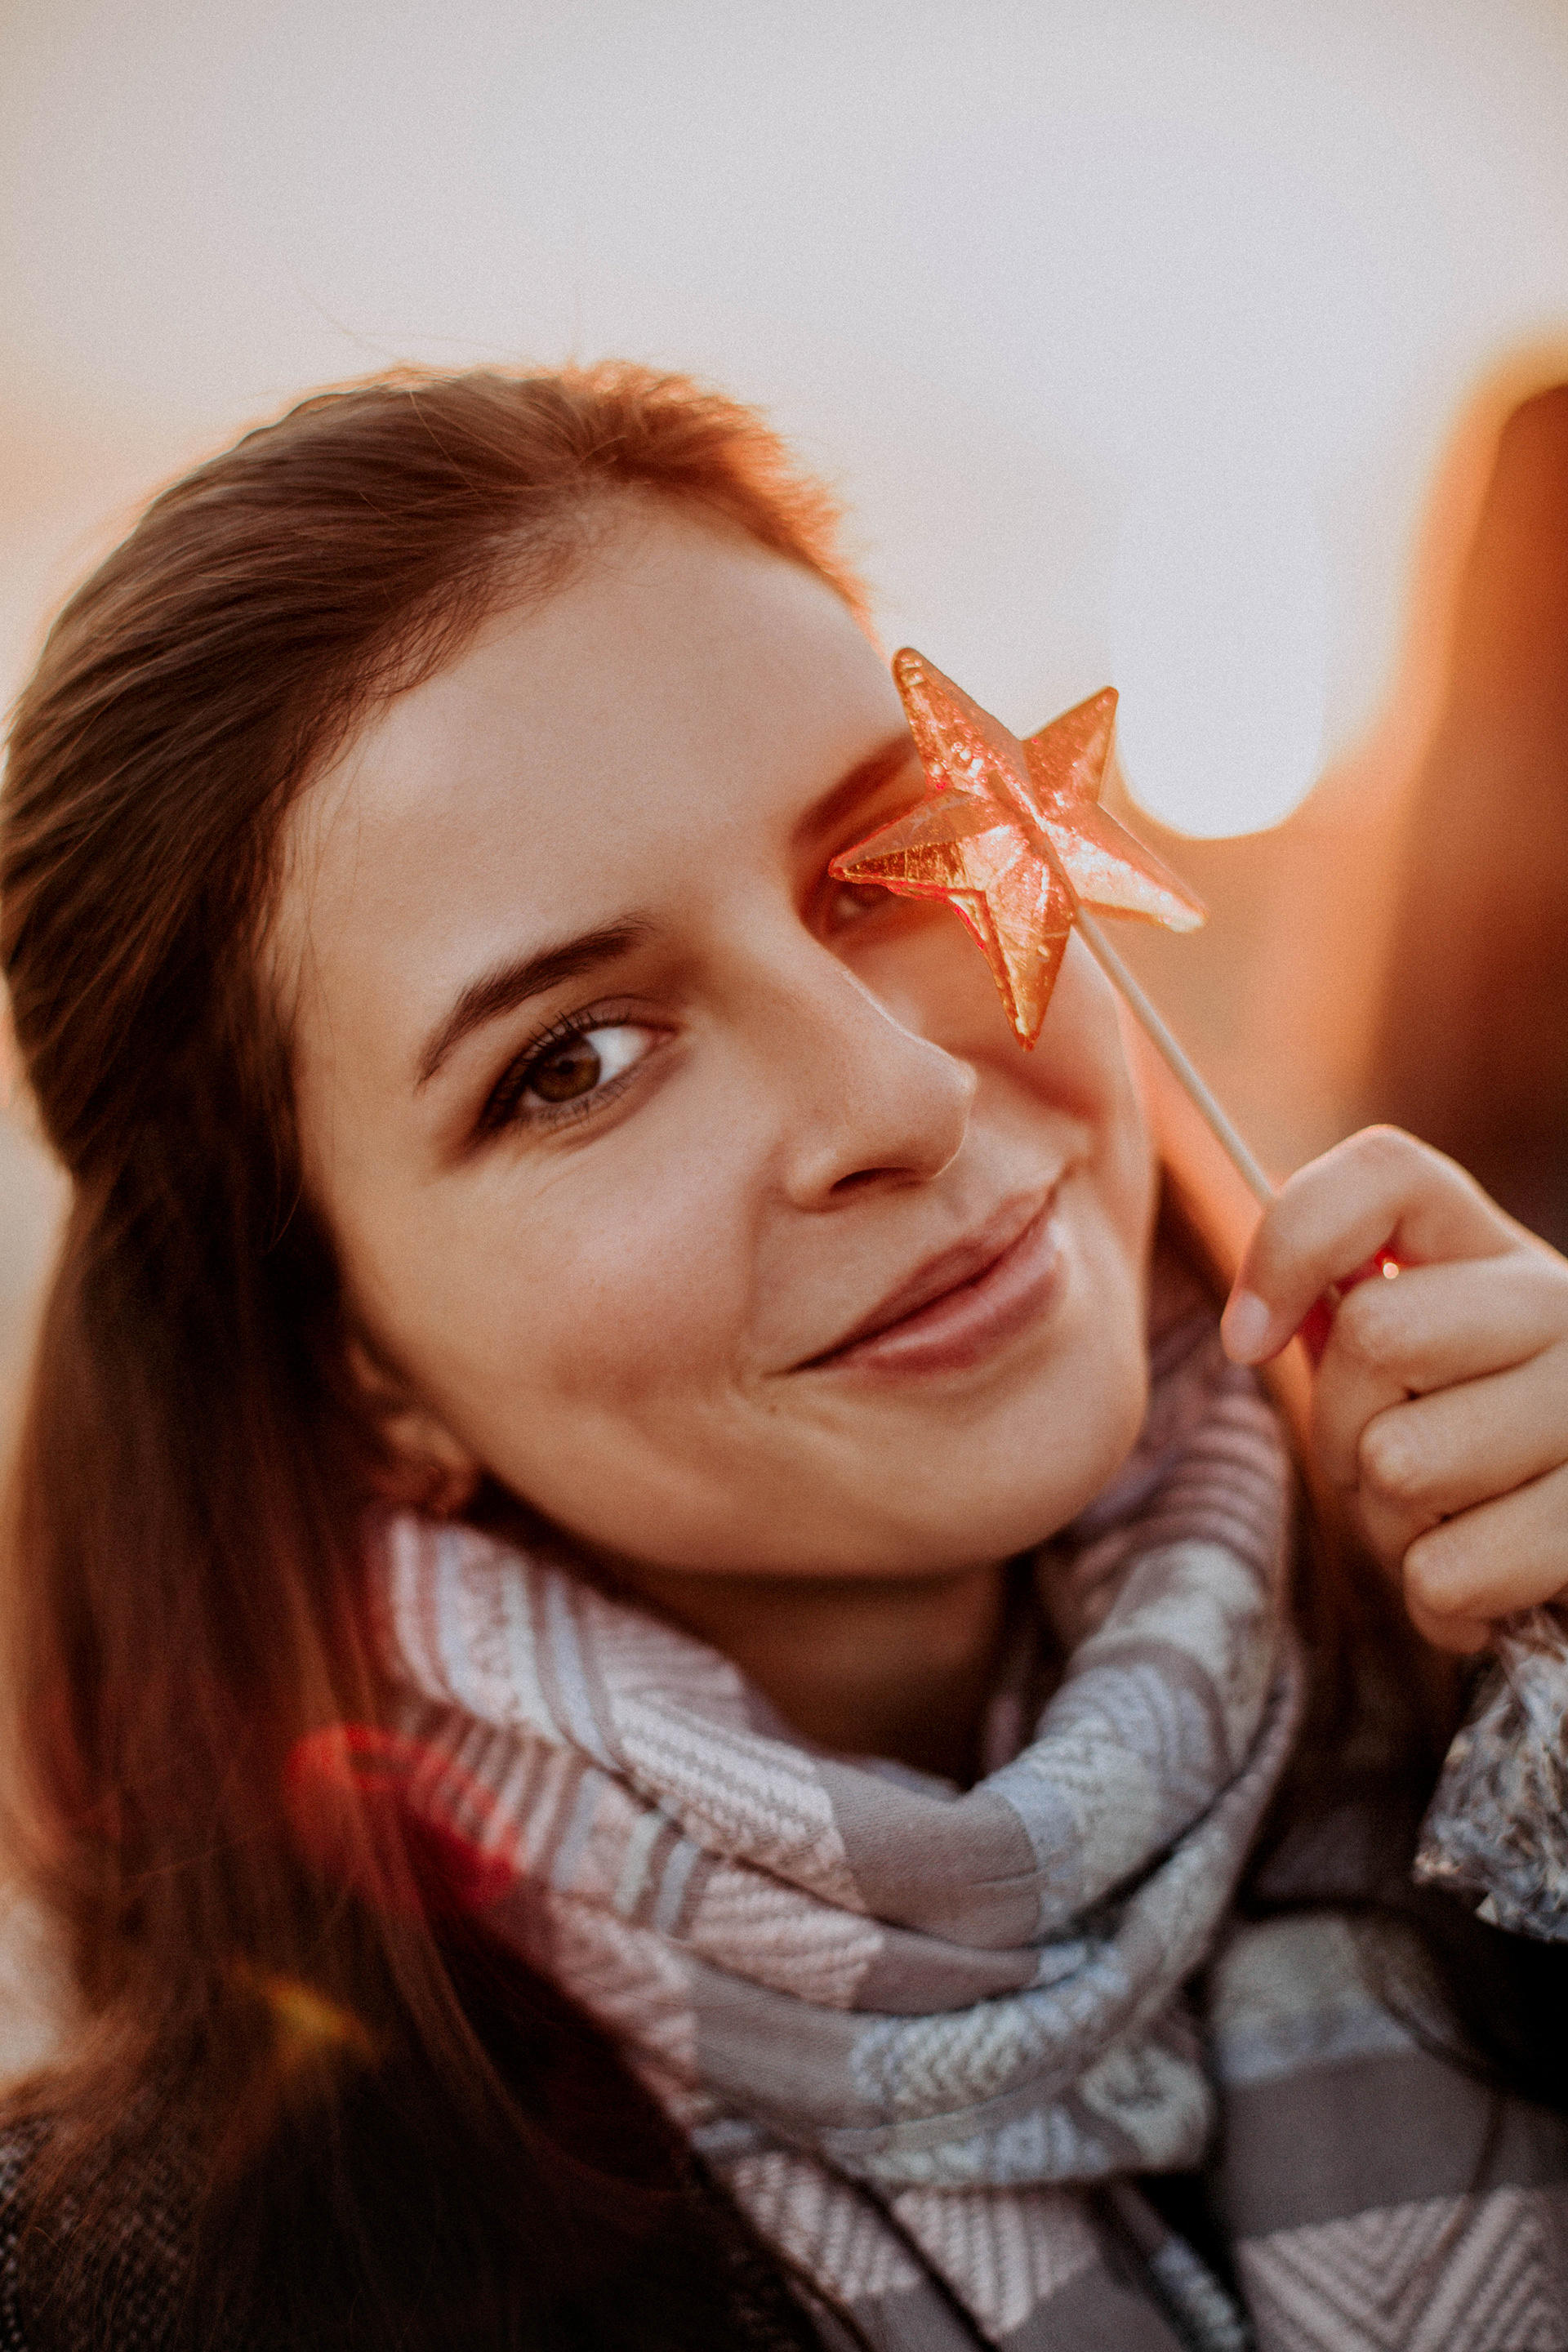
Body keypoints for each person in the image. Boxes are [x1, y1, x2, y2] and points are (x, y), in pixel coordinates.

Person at [1, 364, 1566, 2351]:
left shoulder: (1519, 1715)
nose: (899, 1091)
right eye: (571, 1061)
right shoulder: (146, 2294)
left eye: (882, 869)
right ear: (349, 1364)